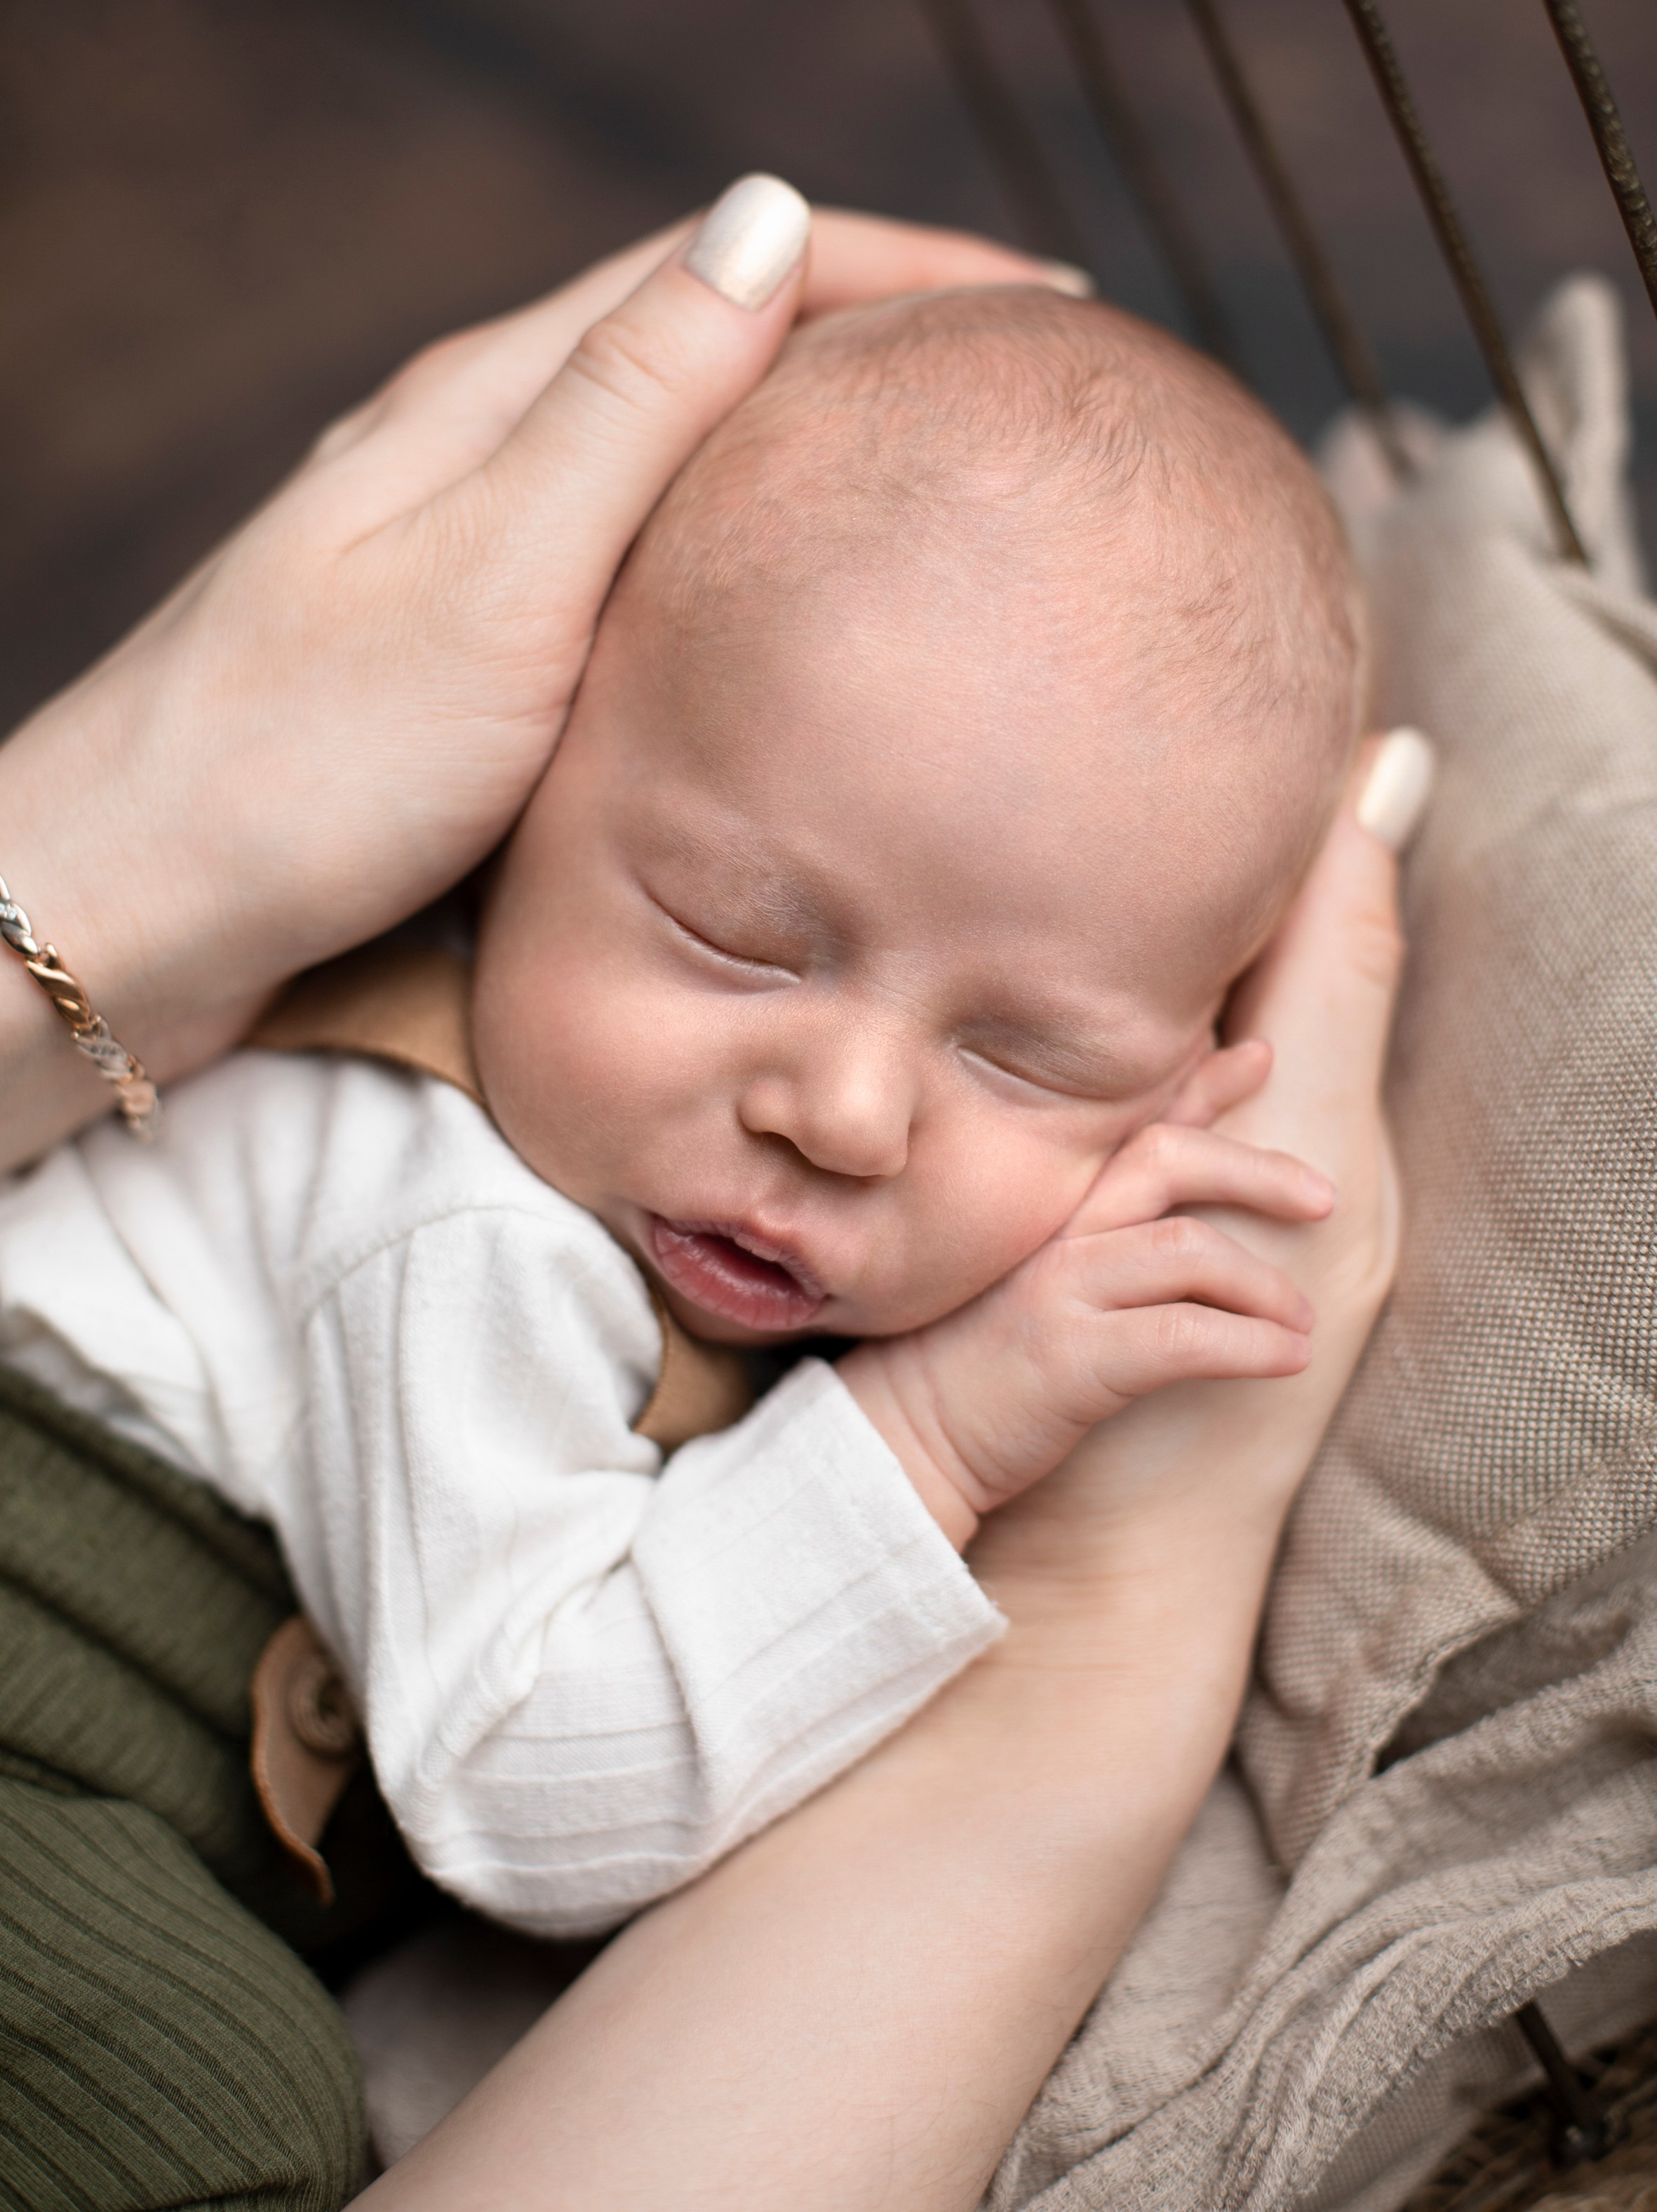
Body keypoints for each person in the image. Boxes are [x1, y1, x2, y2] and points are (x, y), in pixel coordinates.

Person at [0, 177, 1421, 2210]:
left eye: (1030, 1060)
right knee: (215, 2107)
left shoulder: (646, 1167)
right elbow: (527, 1791)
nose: (845, 1112)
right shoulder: (458, 1221)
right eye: (737, 937)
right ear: (516, 794)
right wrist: (933, 1435)